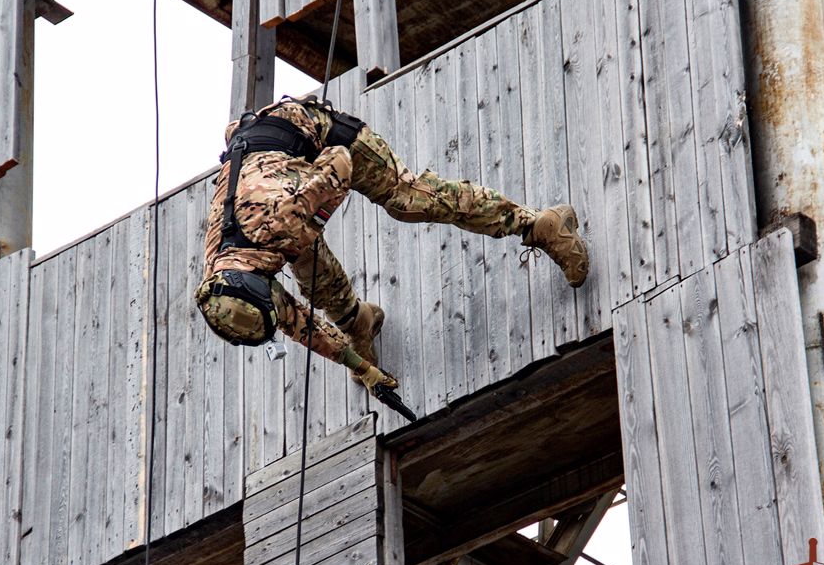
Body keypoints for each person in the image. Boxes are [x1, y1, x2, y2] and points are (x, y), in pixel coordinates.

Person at [195, 95, 588, 397]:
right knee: (307, 268)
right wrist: (364, 369)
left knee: (407, 200)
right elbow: (299, 324)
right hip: (272, 175)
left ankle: (538, 224)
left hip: (325, 139)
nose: (278, 304)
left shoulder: (284, 226)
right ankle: (358, 322)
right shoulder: (225, 276)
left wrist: (316, 214)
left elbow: (340, 162)